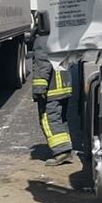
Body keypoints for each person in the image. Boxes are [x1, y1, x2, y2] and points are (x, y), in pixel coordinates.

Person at [31, 37, 74, 166]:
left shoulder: (41, 41)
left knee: (48, 118)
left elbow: (42, 64)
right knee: (60, 118)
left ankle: (61, 152)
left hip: (52, 88)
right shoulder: (60, 35)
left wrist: (39, 88)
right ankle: (65, 147)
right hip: (65, 86)